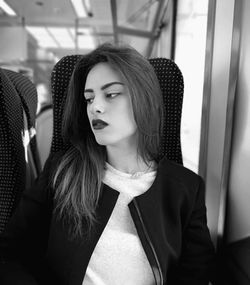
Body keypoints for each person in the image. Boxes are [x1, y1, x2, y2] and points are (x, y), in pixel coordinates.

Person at [0, 43, 215, 285]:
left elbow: (196, 274)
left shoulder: (186, 189)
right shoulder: (62, 171)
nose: (95, 107)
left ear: (145, 98)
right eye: (89, 99)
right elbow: (11, 253)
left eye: (111, 94)